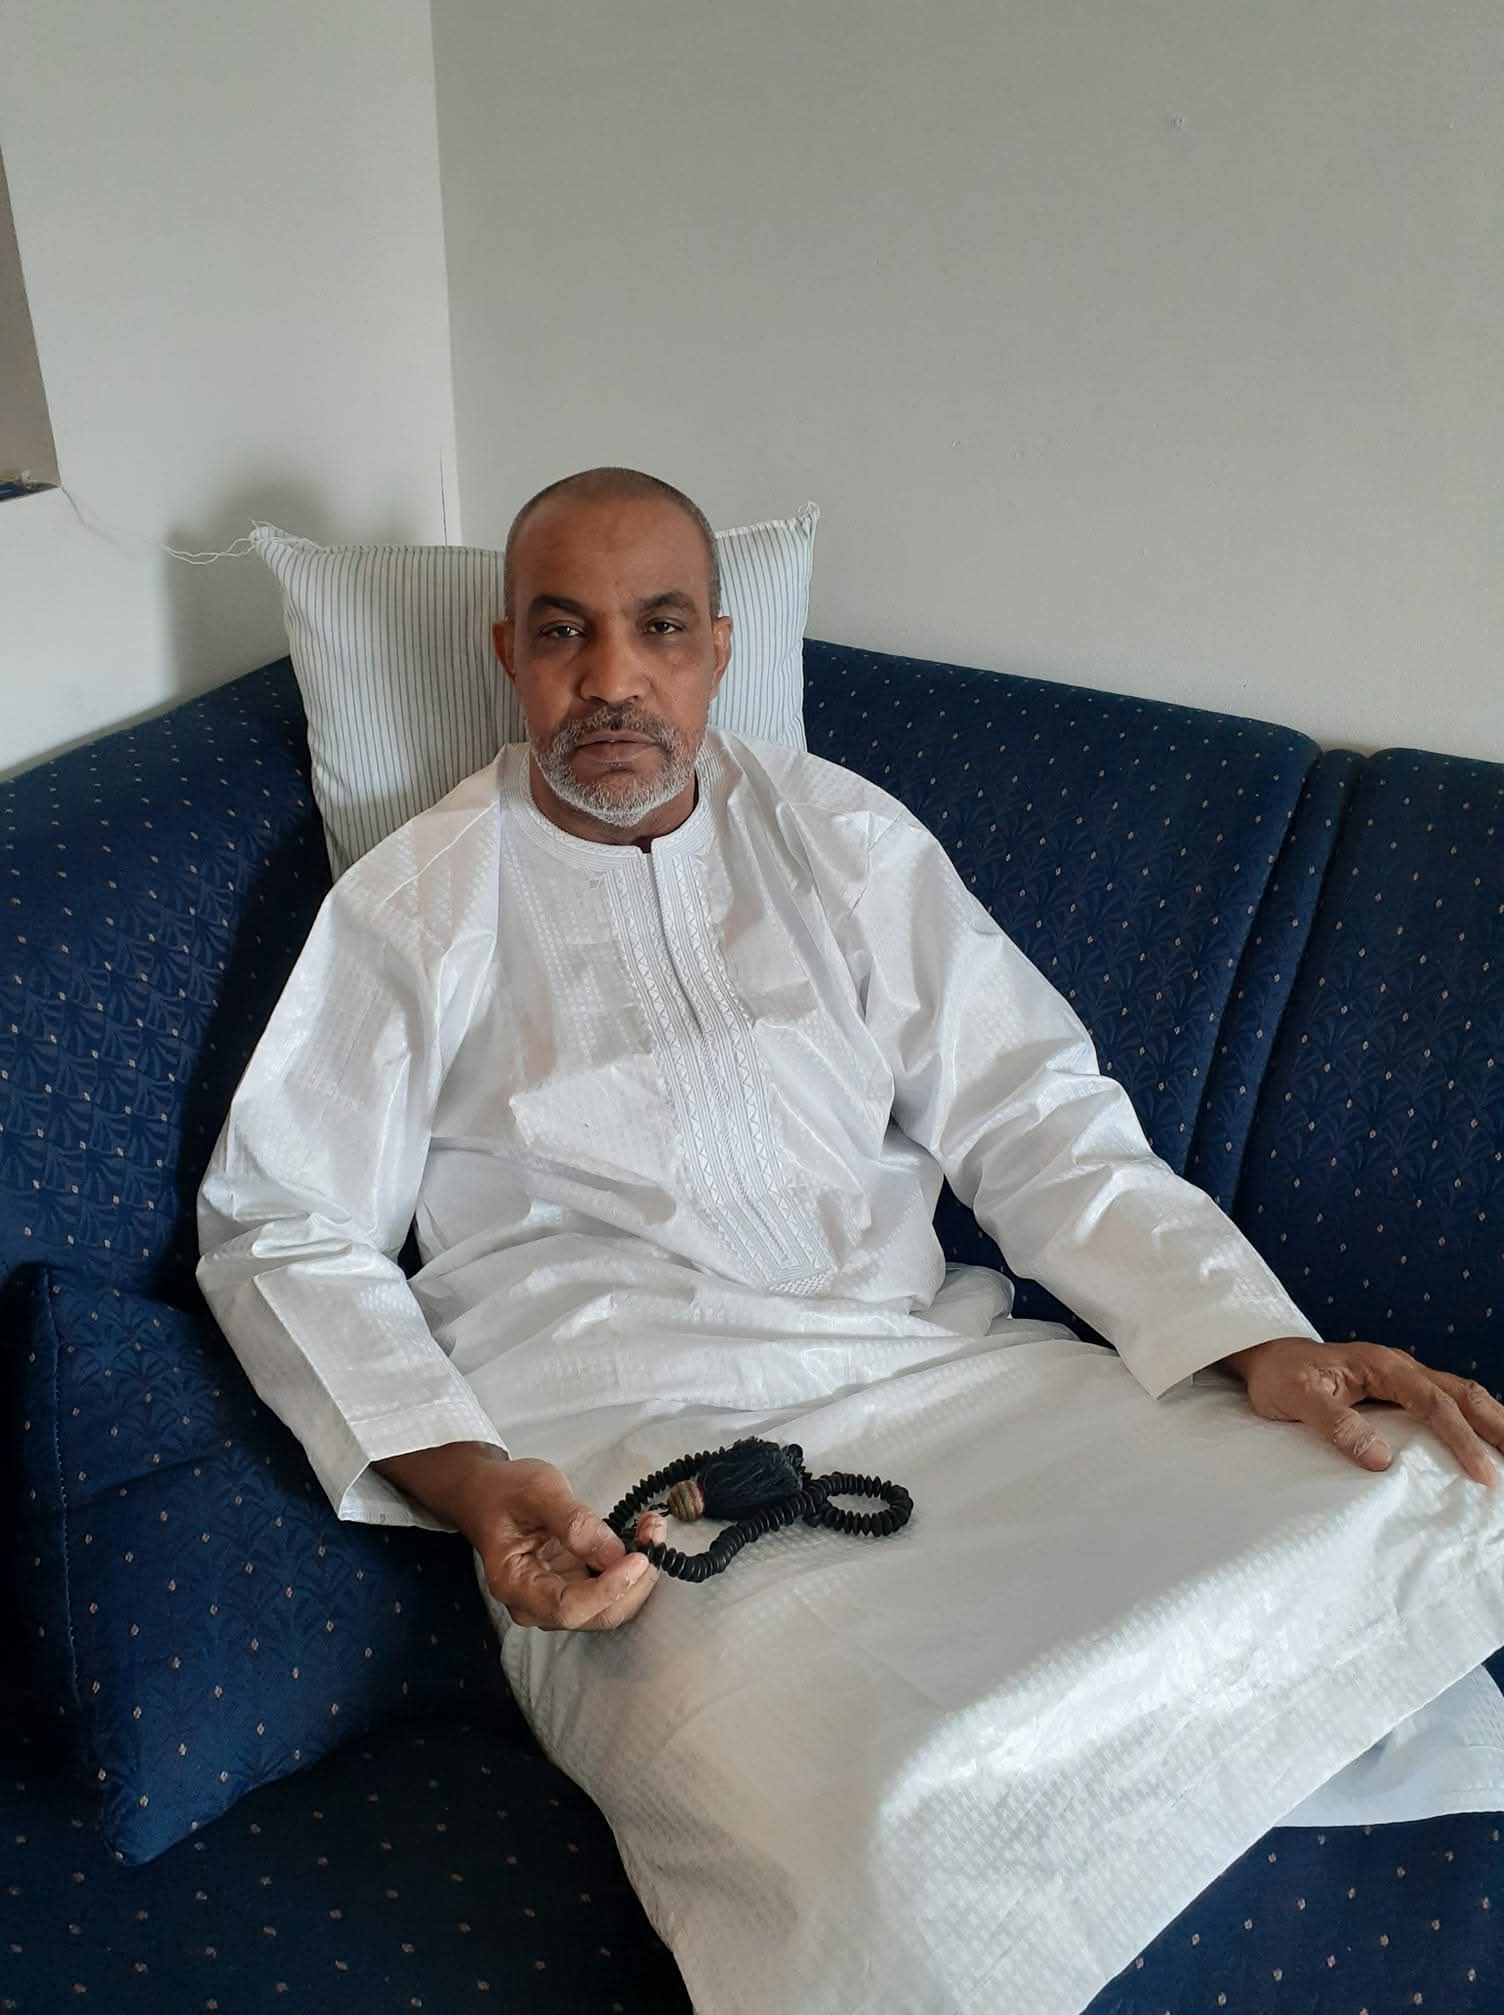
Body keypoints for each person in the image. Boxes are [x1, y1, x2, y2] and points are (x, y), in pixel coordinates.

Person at [197, 468, 1504, 2014]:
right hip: (654, 1461)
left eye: (658, 628)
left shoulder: (840, 834)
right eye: (562, 632)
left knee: (1424, 1494)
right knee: (865, 1819)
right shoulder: (411, 905)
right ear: (508, 656)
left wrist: (1255, 1341)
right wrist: (475, 1483)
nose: (611, 679)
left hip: (950, 1373)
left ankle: (1100, 1781)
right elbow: (282, 1226)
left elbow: (1032, 1116)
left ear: (719, 649)